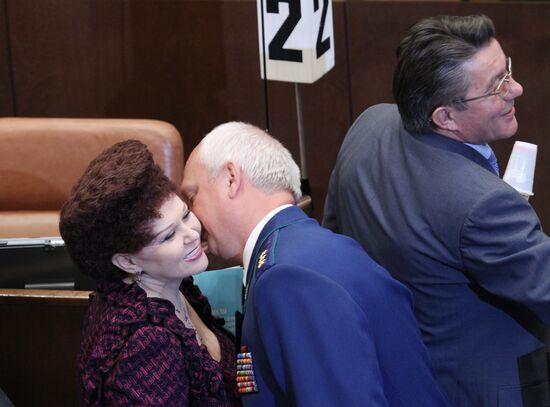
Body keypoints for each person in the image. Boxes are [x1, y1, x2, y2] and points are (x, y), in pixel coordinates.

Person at [323, 14, 550, 407]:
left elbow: (336, 234)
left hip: (398, 375)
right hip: (482, 390)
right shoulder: (483, 205)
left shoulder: (369, 125)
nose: (516, 87)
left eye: (506, 70)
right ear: (444, 117)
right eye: (497, 86)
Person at [181, 121, 449, 407]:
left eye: (191, 197)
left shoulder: (287, 277)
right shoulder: (312, 251)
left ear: (231, 179)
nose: (192, 220)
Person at [59, 140, 240, 406]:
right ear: (128, 262)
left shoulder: (173, 286)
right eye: (168, 236)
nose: (191, 234)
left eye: (186, 215)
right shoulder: (147, 342)